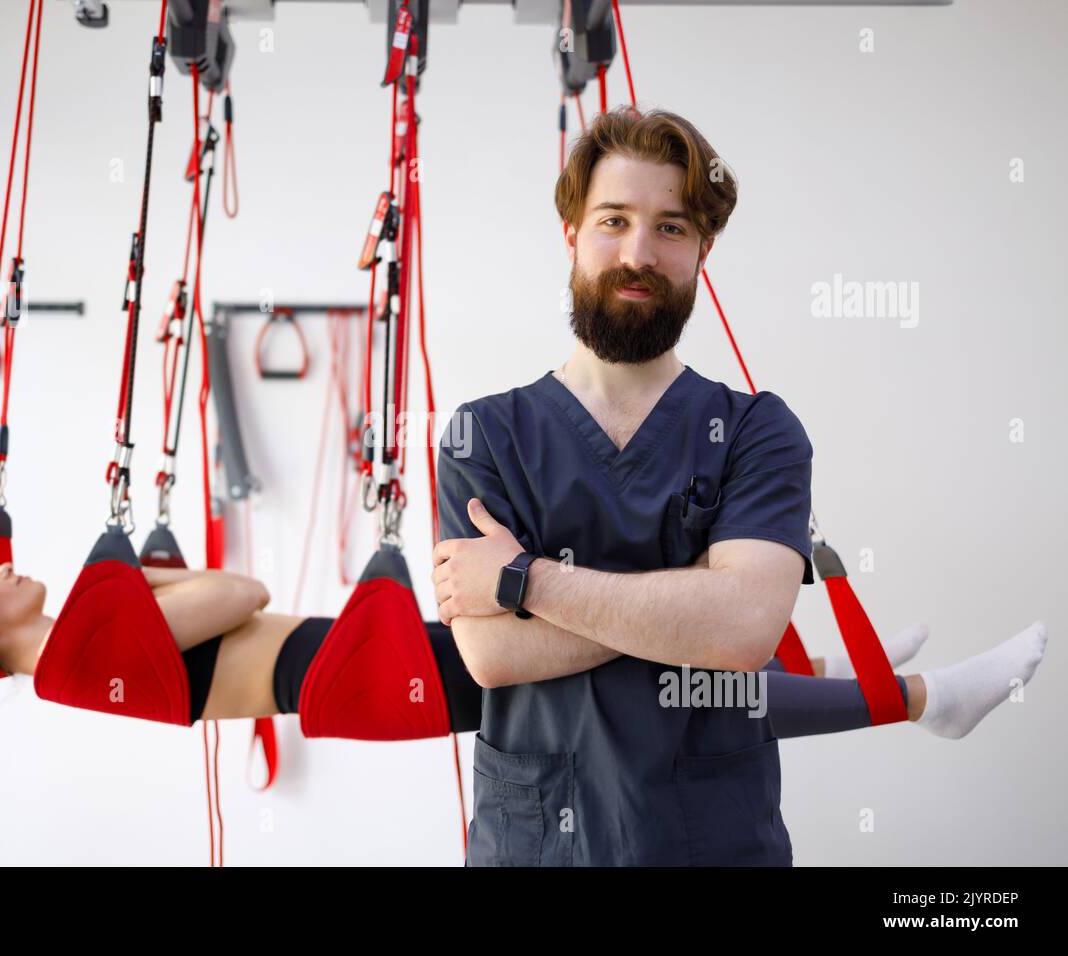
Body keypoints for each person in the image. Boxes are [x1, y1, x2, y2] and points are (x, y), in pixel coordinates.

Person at [430, 106, 1049, 866]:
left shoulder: (758, 430)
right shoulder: (484, 435)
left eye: (672, 227)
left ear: (703, 250)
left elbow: (744, 631)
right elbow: (492, 655)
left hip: (707, 838)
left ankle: (900, 688)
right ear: (571, 235)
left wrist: (522, 579)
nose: (639, 252)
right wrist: (693, 597)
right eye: (613, 220)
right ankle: (905, 691)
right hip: (538, 840)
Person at [0, 560, 1046, 835]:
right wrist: (131, 583)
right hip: (382, 673)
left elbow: (220, 610)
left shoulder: (86, 646)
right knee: (647, 669)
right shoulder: (76, 652)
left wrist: (128, 581)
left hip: (376, 666)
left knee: (654, 672)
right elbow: (240, 586)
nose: (0, 560)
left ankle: (867, 688)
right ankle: (914, 697)